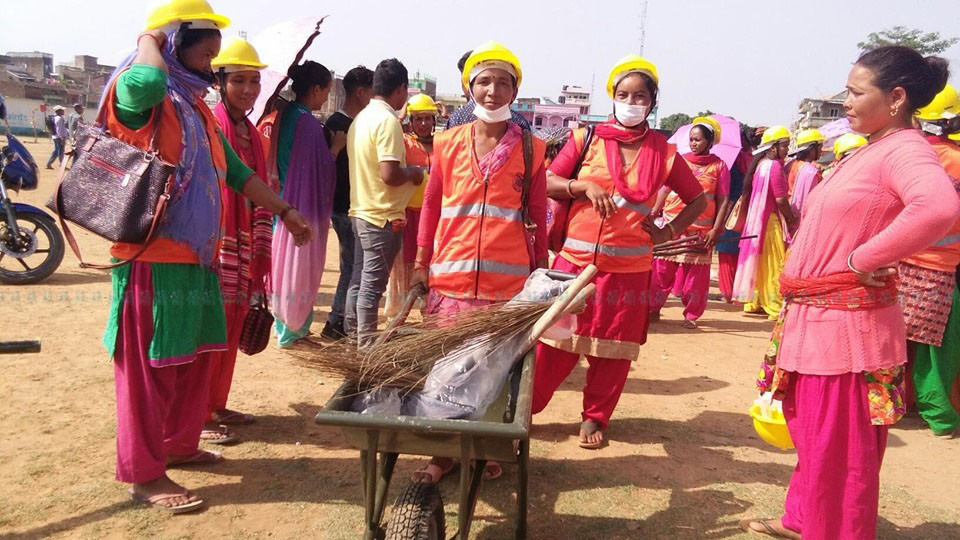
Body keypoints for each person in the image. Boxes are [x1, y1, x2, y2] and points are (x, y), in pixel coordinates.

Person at [101, 0, 312, 513]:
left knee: (191, 359)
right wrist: (149, 38)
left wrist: (284, 210)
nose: (209, 64)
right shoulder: (144, 94)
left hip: (197, 258)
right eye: (203, 53)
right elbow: (145, 86)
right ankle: (145, 475)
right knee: (149, 369)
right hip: (152, 258)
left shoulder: (194, 108)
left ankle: (178, 445)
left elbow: (236, 173)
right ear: (174, 43)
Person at [742, 46, 957, 539]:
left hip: (846, 335)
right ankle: (803, 519)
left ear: (897, 97)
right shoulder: (873, 149)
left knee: (840, 455)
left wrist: (864, 259)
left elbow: (938, 206)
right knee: (820, 445)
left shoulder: (905, 149)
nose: (848, 104)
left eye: (857, 93)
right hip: (820, 324)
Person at [532, 55, 706, 448]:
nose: (631, 102)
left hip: (629, 269)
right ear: (612, 97)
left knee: (613, 352)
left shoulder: (665, 152)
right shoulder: (585, 139)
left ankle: (595, 419)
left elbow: (696, 199)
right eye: (623, 94)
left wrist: (667, 232)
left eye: (640, 96)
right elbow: (549, 179)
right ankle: (526, 411)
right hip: (574, 266)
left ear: (652, 101)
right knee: (552, 345)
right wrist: (583, 187)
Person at [409, 42, 547, 484]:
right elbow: (431, 206)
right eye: (483, 81)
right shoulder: (446, 143)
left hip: (505, 288)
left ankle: (488, 444)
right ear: (469, 86)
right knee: (444, 366)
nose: (492, 90)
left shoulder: (533, 150)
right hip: (449, 278)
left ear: (515, 89)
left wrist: (541, 276)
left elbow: (538, 219)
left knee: (496, 368)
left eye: (503, 82)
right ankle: (443, 452)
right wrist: (419, 262)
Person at [198, 37, 272, 445]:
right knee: (210, 331)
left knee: (232, 326)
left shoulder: (248, 129)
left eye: (254, 81)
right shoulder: (212, 123)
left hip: (245, 244)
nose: (248, 89)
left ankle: (217, 402)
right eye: (239, 80)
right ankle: (201, 413)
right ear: (220, 81)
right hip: (219, 243)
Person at [345, 58, 425, 345]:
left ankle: (354, 338)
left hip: (362, 210)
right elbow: (390, 173)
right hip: (382, 215)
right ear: (402, 89)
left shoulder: (362, 118)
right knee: (370, 287)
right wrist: (414, 173)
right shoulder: (388, 122)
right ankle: (365, 347)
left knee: (359, 280)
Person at [267, 61, 343, 347]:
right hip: (302, 207)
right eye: (325, 90)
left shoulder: (287, 115)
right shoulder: (307, 123)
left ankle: (287, 327)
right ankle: (294, 332)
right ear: (315, 89)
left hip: (284, 201)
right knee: (299, 267)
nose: (325, 96)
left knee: (284, 264)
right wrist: (335, 148)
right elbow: (321, 171)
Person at [899, 84, 960, 439]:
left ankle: (894, 403)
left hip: (899, 260)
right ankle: (939, 414)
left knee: (896, 340)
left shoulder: (905, 154)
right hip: (940, 266)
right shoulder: (955, 158)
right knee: (935, 348)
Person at [649, 116, 731, 328]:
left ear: (709, 142)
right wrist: (654, 212)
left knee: (695, 280)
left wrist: (716, 229)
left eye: (698, 140)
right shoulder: (679, 159)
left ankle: (691, 315)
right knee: (661, 272)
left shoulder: (719, 167)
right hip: (671, 225)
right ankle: (653, 308)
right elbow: (665, 189)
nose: (694, 143)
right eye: (692, 139)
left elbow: (723, 200)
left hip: (700, 232)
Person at [320, 66, 374, 340]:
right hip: (346, 205)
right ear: (361, 92)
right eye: (372, 90)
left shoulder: (344, 123)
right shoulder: (339, 126)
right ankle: (336, 321)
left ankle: (339, 320)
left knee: (353, 267)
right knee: (353, 268)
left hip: (348, 204)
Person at [731, 126, 797, 319]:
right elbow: (780, 199)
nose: (786, 150)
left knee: (759, 262)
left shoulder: (759, 164)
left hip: (757, 220)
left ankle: (755, 301)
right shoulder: (774, 166)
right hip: (770, 222)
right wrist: (791, 217)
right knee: (774, 263)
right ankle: (774, 304)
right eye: (784, 146)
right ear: (774, 146)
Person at [384, 93, 436, 319]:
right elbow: (388, 133)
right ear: (410, 121)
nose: (423, 124)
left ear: (434, 121)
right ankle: (398, 318)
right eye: (418, 119)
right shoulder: (404, 142)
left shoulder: (441, 145)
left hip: (433, 215)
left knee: (429, 265)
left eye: (427, 119)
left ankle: (429, 315)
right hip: (407, 214)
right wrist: (399, 117)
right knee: (403, 266)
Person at [445, 49, 531, 130]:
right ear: (470, 88)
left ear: (514, 93)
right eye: (484, 82)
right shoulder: (454, 126)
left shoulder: (457, 118)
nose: (492, 92)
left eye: (502, 83)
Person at [716, 127, 754, 303]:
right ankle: (740, 291)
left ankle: (727, 291)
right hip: (749, 210)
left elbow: (726, 190)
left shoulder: (732, 162)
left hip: (731, 209)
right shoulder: (754, 161)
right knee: (741, 252)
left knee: (726, 251)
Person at [784, 128, 824, 221]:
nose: (821, 151)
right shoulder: (810, 172)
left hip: (788, 214)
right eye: (820, 147)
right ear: (811, 149)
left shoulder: (791, 164)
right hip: (800, 218)